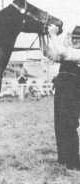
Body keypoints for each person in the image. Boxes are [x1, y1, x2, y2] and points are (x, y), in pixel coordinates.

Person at [44, 25, 80, 170]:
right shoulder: (70, 52)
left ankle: (74, 161)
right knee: (60, 123)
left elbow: (63, 52)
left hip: (74, 91)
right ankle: (63, 159)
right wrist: (43, 37)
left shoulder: (74, 53)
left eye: (77, 39)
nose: (74, 41)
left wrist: (52, 35)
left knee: (69, 123)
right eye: (74, 38)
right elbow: (51, 54)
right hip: (63, 89)